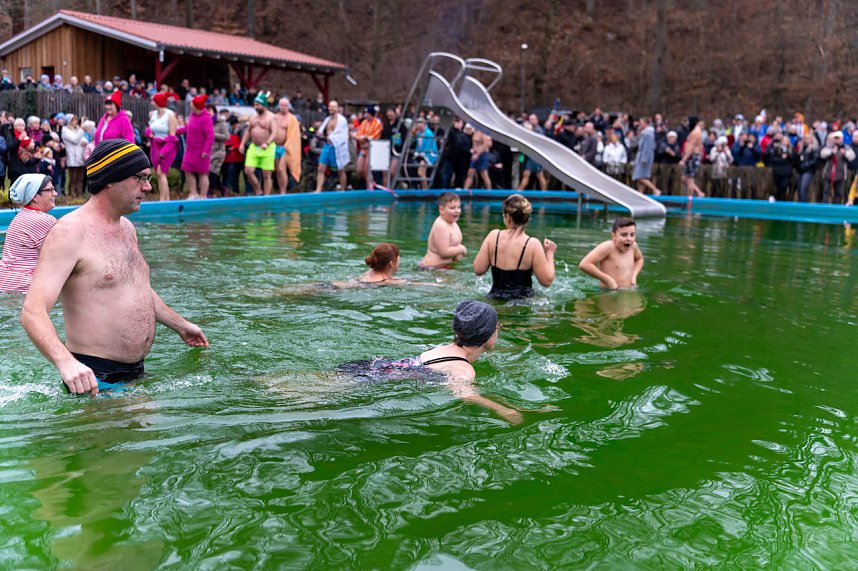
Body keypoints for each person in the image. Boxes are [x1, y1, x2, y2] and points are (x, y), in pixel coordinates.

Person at [20, 139, 209, 395]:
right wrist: (66, 363)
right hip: (94, 379)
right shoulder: (69, 233)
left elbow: (135, 288)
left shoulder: (127, 228)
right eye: (140, 178)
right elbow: (32, 310)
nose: (148, 186)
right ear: (111, 178)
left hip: (136, 372)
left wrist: (180, 324)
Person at [340, 301, 523, 424]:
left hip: (370, 367)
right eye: (497, 326)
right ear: (488, 333)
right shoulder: (464, 369)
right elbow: (463, 393)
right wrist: (502, 410)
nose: (499, 330)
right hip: (371, 380)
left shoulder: (445, 349)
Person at [473, 194, 557, 299]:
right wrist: (550, 253)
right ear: (526, 219)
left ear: (508, 217)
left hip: (494, 299)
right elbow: (546, 281)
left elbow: (478, 269)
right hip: (522, 303)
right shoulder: (532, 244)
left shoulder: (493, 236)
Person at [0, 174, 58, 294]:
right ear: (35, 196)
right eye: (50, 190)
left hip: (6, 284)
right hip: (25, 289)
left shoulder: (20, 217)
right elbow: (65, 256)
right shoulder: (45, 220)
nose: (55, 193)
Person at [578, 217, 644, 289]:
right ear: (614, 236)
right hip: (609, 292)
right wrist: (607, 280)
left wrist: (634, 276)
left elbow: (639, 259)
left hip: (628, 290)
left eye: (632, 235)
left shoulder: (633, 246)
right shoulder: (608, 247)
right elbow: (584, 264)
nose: (629, 239)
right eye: (624, 235)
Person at [418, 192, 467, 270]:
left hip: (445, 267)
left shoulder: (453, 223)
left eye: (459, 207)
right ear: (441, 209)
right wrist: (462, 249)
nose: (457, 211)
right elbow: (444, 252)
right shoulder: (441, 225)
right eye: (452, 208)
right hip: (432, 269)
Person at [240, 91, 277, 195]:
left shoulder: (271, 117)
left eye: (258, 105)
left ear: (264, 105)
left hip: (268, 148)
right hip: (254, 147)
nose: (255, 107)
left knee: (266, 174)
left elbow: (274, 132)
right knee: (248, 171)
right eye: (255, 104)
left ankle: (267, 197)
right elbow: (248, 131)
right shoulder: (253, 117)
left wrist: (267, 143)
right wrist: (242, 143)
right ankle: (258, 189)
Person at [147, 91, 179, 201]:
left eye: (153, 100)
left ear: (158, 102)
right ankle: (164, 198)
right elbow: (149, 128)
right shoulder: (152, 114)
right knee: (159, 174)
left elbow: (173, 136)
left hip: (167, 147)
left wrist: (164, 151)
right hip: (155, 146)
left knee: (162, 172)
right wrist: (149, 134)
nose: (151, 102)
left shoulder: (170, 115)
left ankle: (164, 199)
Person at [181, 94, 214, 199]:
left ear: (197, 106)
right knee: (187, 169)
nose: (190, 105)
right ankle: (193, 193)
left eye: (192, 104)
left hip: (202, 150)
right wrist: (176, 131)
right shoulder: (192, 114)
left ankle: (203, 195)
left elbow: (210, 135)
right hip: (190, 149)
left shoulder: (206, 118)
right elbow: (188, 127)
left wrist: (206, 150)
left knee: (202, 173)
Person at [315, 100, 349, 192]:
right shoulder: (327, 119)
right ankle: (318, 189)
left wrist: (333, 138)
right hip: (327, 145)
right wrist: (320, 133)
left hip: (337, 147)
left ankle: (342, 189)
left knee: (340, 169)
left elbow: (343, 135)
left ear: (337, 108)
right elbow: (322, 131)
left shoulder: (342, 120)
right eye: (330, 106)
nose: (331, 108)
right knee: (321, 167)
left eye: (333, 107)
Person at [274, 96, 303, 193]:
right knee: (277, 170)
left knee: (282, 169)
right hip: (274, 146)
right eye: (281, 105)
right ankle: (279, 189)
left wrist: (287, 146)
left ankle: (283, 191)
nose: (283, 107)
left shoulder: (292, 119)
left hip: (285, 147)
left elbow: (294, 135)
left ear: (289, 106)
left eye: (285, 105)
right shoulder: (275, 117)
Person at [819, 131, 855, 204]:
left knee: (839, 193)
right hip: (828, 173)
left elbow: (852, 156)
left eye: (838, 138)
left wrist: (844, 153)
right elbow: (822, 154)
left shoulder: (846, 147)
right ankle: (825, 208)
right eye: (835, 138)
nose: (837, 140)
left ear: (842, 139)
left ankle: (836, 208)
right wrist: (832, 152)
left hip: (840, 174)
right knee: (826, 192)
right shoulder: (829, 146)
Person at [353, 106, 383, 190]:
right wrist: (363, 138)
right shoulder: (364, 122)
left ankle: (369, 187)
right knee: (359, 170)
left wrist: (365, 138)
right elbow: (358, 135)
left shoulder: (378, 123)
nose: (366, 115)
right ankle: (371, 183)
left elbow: (375, 136)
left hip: (372, 148)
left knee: (367, 169)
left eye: (368, 113)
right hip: (363, 148)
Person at [632, 116, 662, 195]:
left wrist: (644, 159)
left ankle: (655, 189)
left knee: (640, 176)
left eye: (641, 122)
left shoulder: (648, 134)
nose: (640, 124)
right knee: (640, 178)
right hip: (641, 156)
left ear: (645, 123)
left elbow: (647, 147)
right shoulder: (644, 133)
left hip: (644, 157)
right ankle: (640, 193)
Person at [678, 116, 706, 197]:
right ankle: (699, 193)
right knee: (684, 178)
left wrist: (684, 159)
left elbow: (691, 147)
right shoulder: (695, 131)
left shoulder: (695, 132)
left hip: (692, 156)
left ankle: (690, 200)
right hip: (692, 156)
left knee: (689, 179)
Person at [60, 114, 86, 197]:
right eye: (74, 120)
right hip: (72, 156)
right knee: (73, 178)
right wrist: (81, 130)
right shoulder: (65, 130)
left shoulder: (77, 130)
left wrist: (85, 142)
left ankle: (79, 194)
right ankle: (71, 195)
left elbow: (83, 139)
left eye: (76, 120)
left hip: (80, 156)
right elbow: (75, 140)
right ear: (69, 121)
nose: (76, 122)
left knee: (80, 178)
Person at [795, 131, 819, 203]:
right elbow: (797, 158)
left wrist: (805, 165)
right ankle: (800, 204)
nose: (807, 140)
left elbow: (815, 160)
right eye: (805, 138)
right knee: (799, 188)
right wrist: (799, 165)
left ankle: (803, 204)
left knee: (803, 188)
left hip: (808, 170)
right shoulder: (802, 148)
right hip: (800, 170)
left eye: (808, 138)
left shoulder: (814, 148)